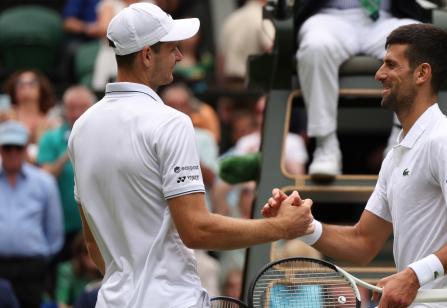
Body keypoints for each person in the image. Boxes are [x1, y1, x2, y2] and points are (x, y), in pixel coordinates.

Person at [67, 3, 313, 307]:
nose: (180, 56)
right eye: (172, 48)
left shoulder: (80, 128)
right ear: (146, 55)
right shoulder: (171, 122)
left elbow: (94, 244)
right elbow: (196, 229)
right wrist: (281, 227)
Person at [264, 23, 447, 307]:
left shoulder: (445, 141)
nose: (379, 74)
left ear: (422, 73)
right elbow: (363, 243)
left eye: (390, 65)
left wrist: (412, 276)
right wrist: (304, 226)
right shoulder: (397, 155)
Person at [296, 0, 423, 178]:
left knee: (415, 42)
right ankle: (325, 146)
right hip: (330, 17)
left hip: (387, 18)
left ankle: (400, 143)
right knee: (316, 45)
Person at [0, 121, 64, 308]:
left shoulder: (44, 183)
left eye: (17, 148)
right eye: (7, 147)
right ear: (1, 149)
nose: (13, 152)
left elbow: (55, 230)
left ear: (26, 149)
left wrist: (42, 258)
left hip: (32, 267)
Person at [37, 86, 95, 261]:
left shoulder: (103, 135)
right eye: (71, 108)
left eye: (82, 107)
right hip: (63, 224)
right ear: (64, 110)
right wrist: (69, 150)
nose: (77, 113)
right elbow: (45, 176)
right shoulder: (51, 138)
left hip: (96, 222)